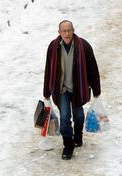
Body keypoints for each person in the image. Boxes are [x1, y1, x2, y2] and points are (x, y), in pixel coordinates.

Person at [43, 20, 101, 160]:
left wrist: (96, 90)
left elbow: (93, 68)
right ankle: (68, 145)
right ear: (59, 32)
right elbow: (48, 69)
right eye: (64, 31)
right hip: (61, 90)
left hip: (78, 89)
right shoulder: (53, 47)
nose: (67, 33)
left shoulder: (83, 46)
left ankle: (78, 137)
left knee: (79, 116)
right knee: (64, 118)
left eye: (69, 30)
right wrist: (46, 92)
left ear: (73, 30)